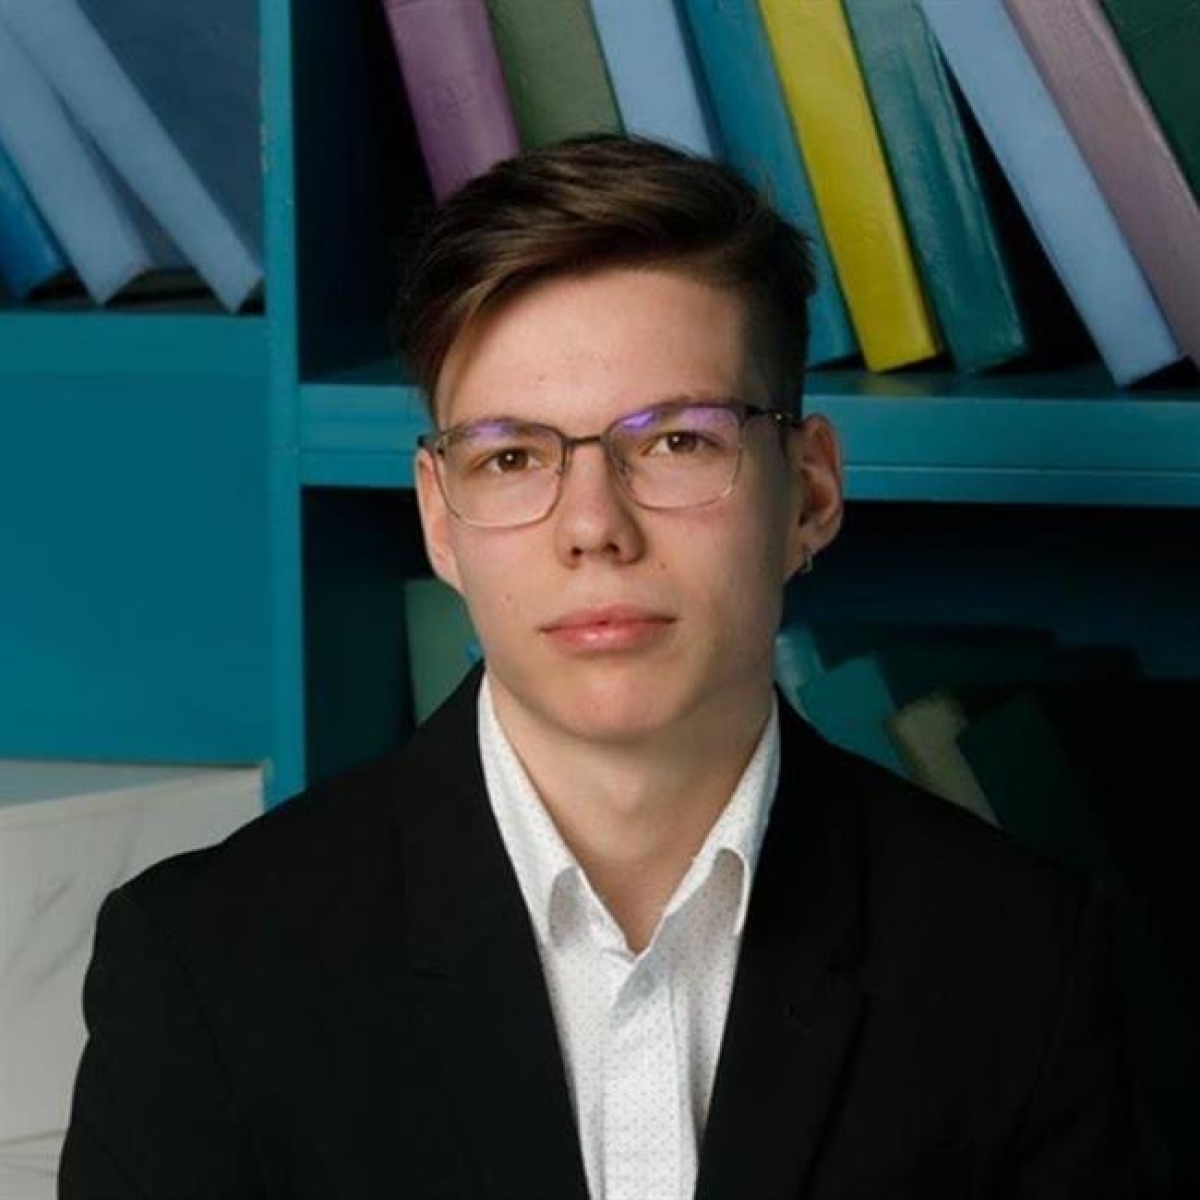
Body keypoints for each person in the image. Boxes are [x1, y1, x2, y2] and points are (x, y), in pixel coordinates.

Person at [60, 133, 1135, 1199]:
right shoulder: (203, 967)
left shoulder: (1020, 962)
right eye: (512, 457)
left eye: (677, 441)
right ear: (440, 519)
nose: (593, 529)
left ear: (809, 492)